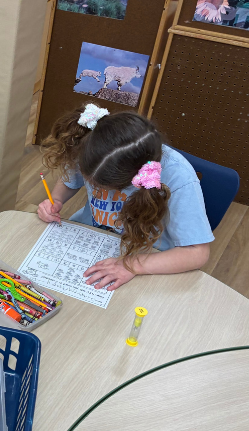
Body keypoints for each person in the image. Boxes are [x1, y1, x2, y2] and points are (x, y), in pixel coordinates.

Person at [38, 102, 212, 290]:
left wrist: (132, 265)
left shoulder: (178, 177)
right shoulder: (92, 145)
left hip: (148, 256)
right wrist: (56, 200)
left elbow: (197, 253)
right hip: (90, 239)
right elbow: (69, 180)